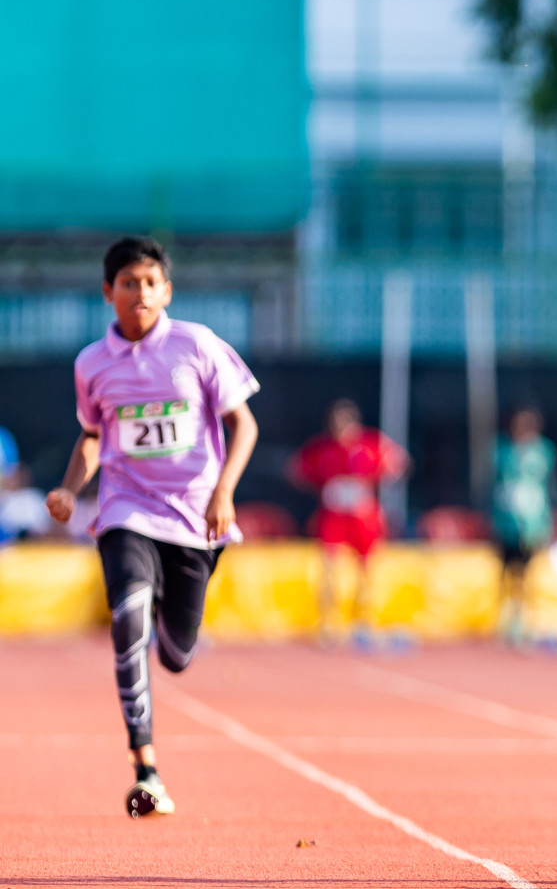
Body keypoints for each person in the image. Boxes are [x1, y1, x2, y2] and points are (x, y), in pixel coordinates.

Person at [45, 236, 260, 817]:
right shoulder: (91, 364)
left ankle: (174, 620)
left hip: (195, 518)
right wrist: (70, 488)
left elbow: (244, 425)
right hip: (125, 508)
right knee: (128, 618)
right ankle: (147, 767)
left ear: (166, 289)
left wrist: (224, 492)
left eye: (149, 283)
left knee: (175, 654)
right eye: (128, 283)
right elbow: (93, 438)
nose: (139, 293)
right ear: (107, 292)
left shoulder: (198, 345)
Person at [288, 399, 409, 636]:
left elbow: (399, 461)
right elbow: (296, 469)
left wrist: (376, 482)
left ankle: (362, 622)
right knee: (330, 570)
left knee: (367, 572)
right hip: (333, 518)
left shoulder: (369, 443)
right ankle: (329, 622)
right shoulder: (322, 448)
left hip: (363, 518)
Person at [491, 407, 557, 628]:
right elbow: (491, 486)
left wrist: (550, 520)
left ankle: (525, 618)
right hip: (506, 522)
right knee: (505, 570)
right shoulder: (502, 451)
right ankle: (504, 616)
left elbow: (550, 487)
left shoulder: (544, 452)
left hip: (533, 523)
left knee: (528, 572)